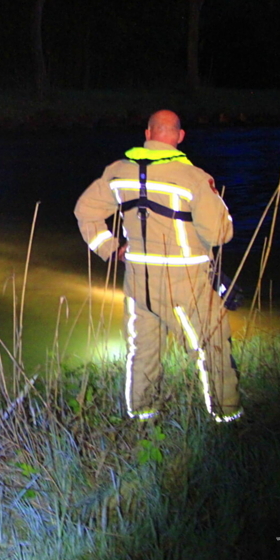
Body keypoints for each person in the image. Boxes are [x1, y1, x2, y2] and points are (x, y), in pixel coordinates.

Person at [74, 109, 240, 423]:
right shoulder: (194, 177)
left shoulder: (117, 171)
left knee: (142, 352)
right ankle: (227, 416)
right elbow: (220, 234)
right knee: (212, 349)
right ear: (179, 137)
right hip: (185, 281)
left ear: (148, 134)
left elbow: (85, 212)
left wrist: (110, 249)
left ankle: (141, 415)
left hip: (137, 283)